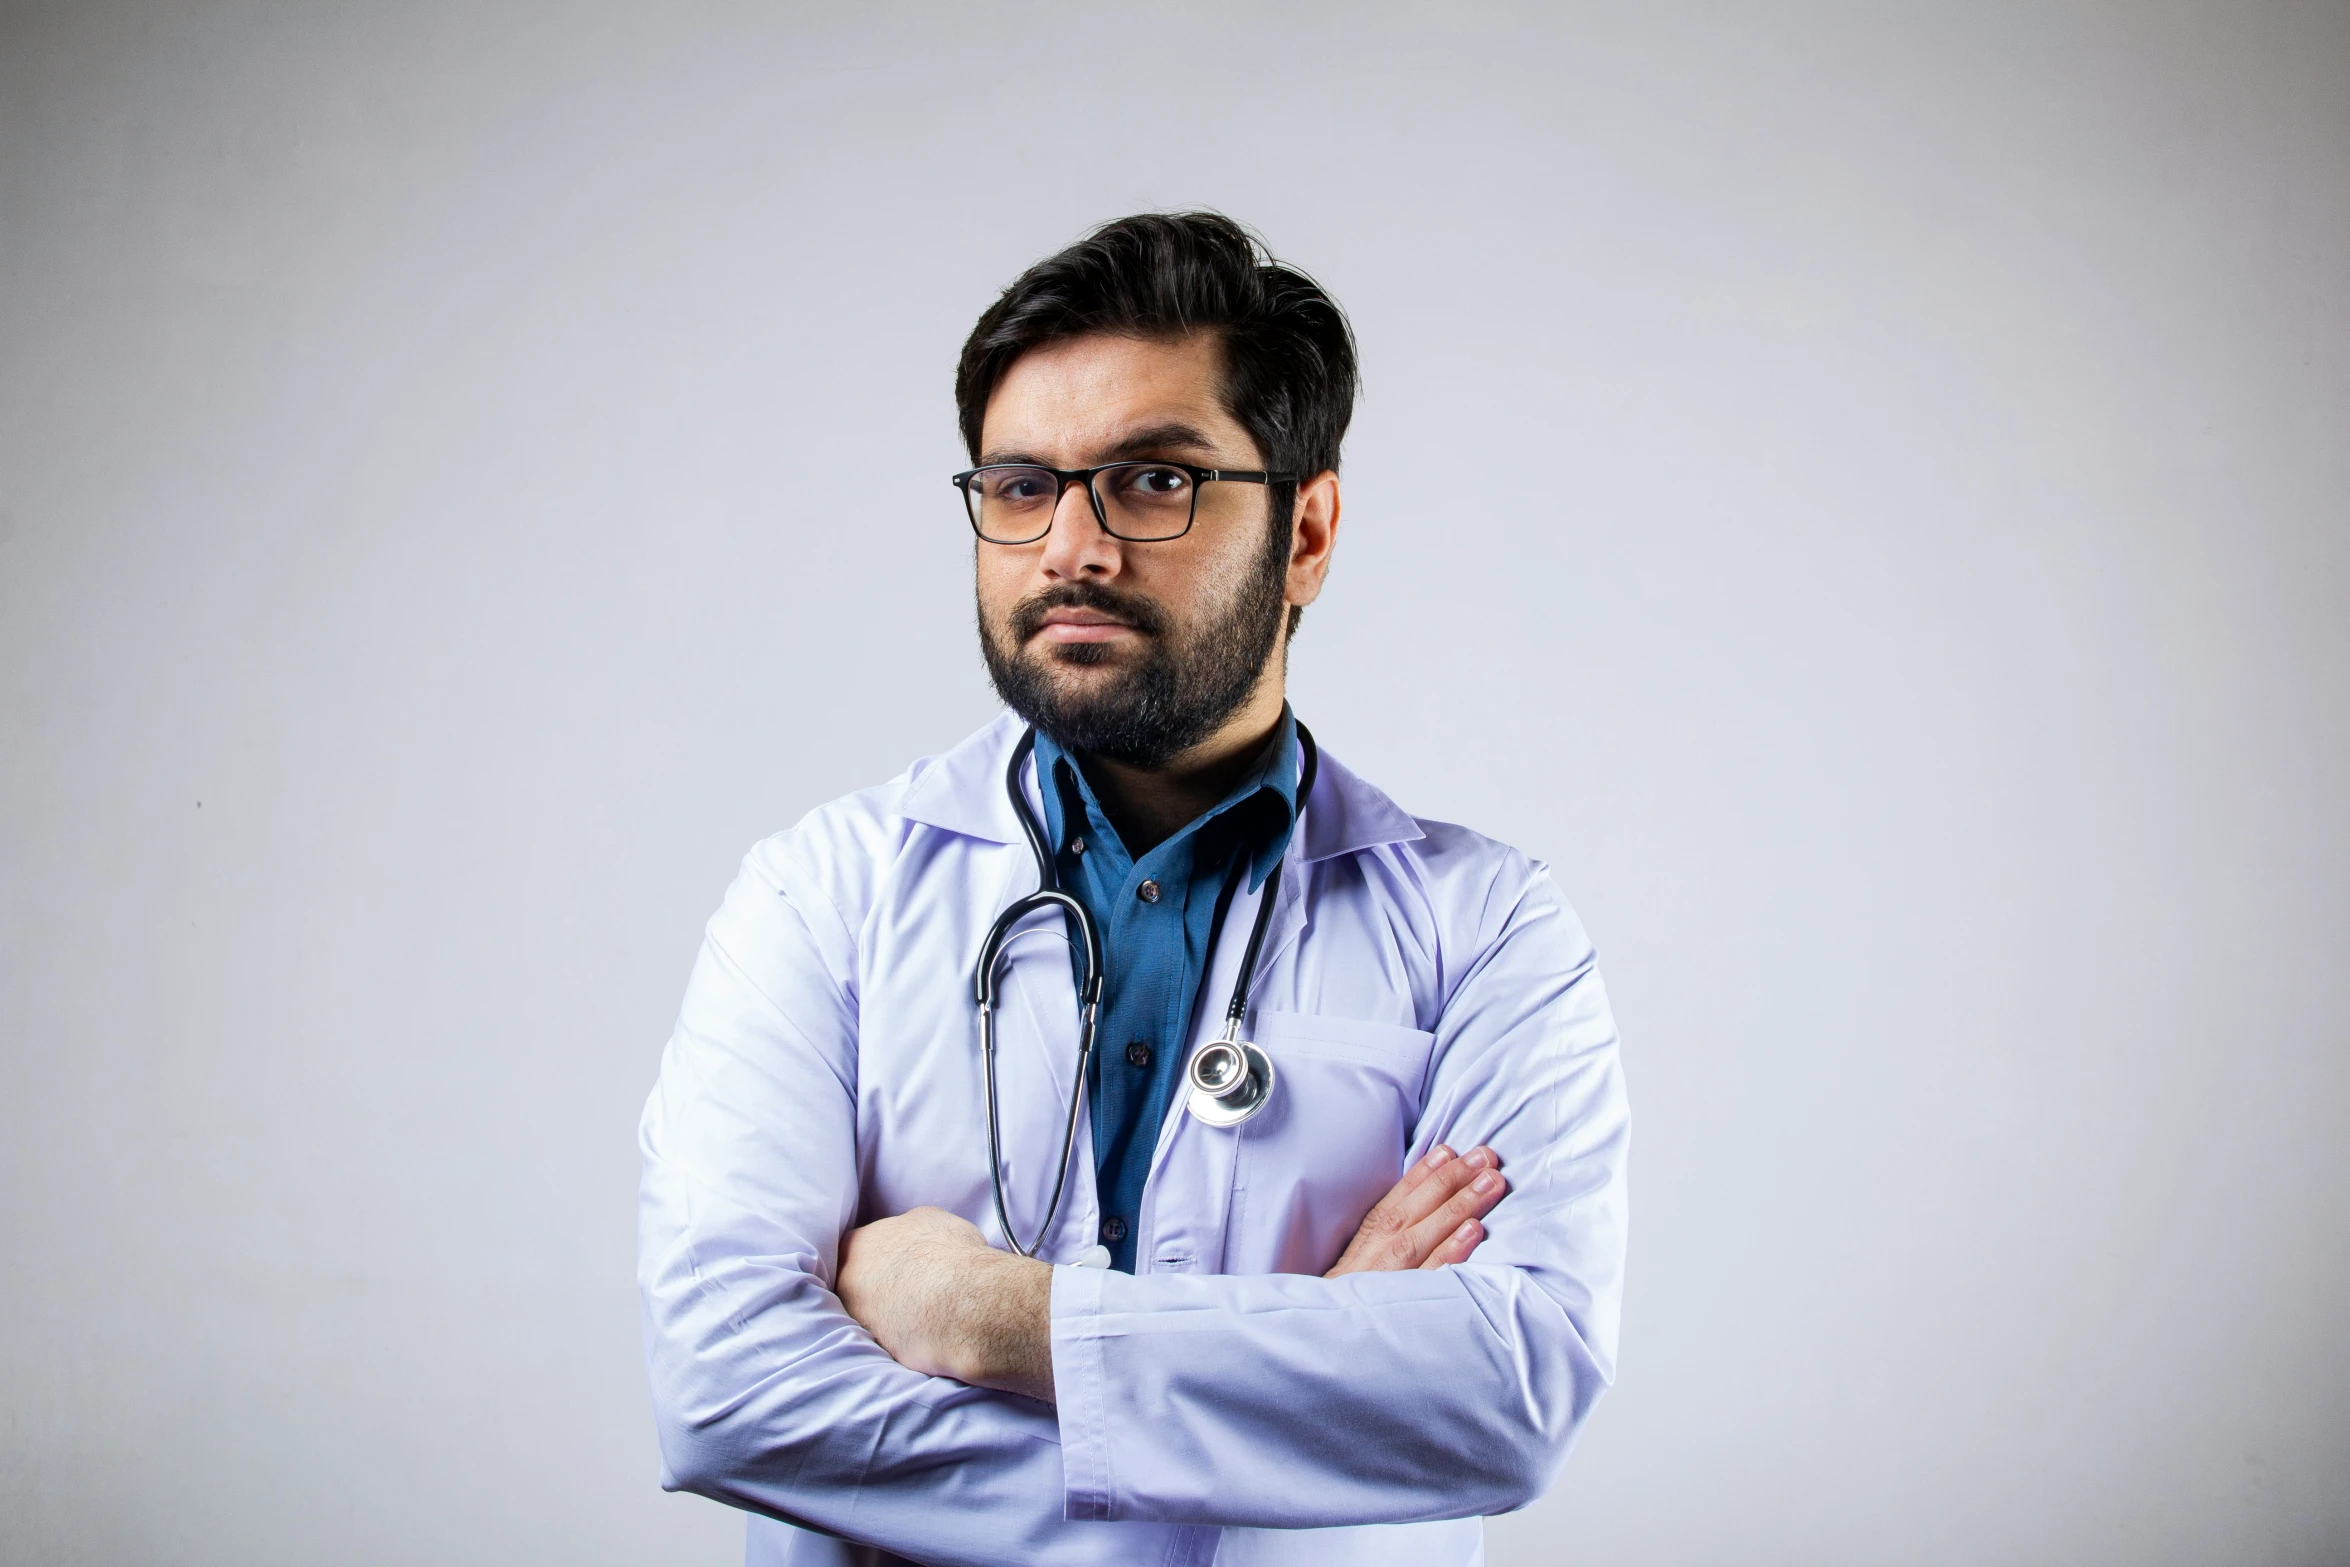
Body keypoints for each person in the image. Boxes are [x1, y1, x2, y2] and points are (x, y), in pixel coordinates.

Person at [637, 212, 1630, 1567]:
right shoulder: (823, 896)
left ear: (1306, 529)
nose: (1070, 547)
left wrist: (992, 1318)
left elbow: (1507, 1394)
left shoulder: (1486, 929)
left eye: (1153, 480)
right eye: (1020, 484)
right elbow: (728, 1395)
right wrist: (1301, 1383)